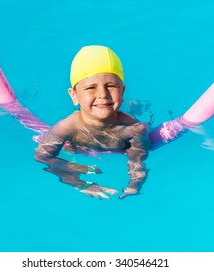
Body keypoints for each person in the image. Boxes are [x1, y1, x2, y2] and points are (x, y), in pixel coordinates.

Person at [35, 46, 149, 200]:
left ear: (122, 91)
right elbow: (43, 157)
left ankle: (136, 105)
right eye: (90, 88)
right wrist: (76, 180)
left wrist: (135, 185)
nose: (103, 94)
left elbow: (137, 161)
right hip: (78, 150)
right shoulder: (66, 127)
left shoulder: (134, 128)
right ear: (74, 95)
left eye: (111, 86)